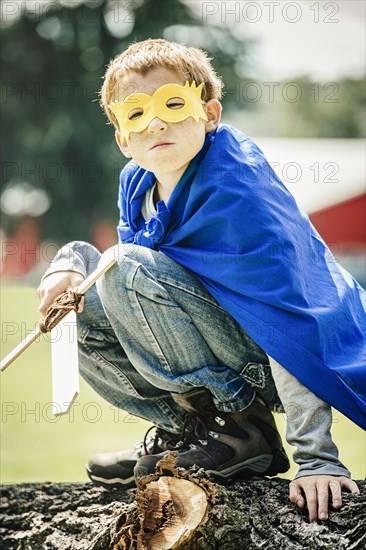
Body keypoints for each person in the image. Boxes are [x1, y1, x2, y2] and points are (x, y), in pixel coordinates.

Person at [38, 39, 365, 524]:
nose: (156, 123)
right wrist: (69, 261)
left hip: (288, 357)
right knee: (78, 307)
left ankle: (239, 431)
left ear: (209, 113)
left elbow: (290, 320)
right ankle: (190, 434)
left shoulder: (240, 194)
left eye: (173, 104)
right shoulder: (138, 182)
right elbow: (127, 280)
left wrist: (317, 458)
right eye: (136, 114)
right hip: (226, 349)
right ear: (123, 138)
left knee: (125, 266)